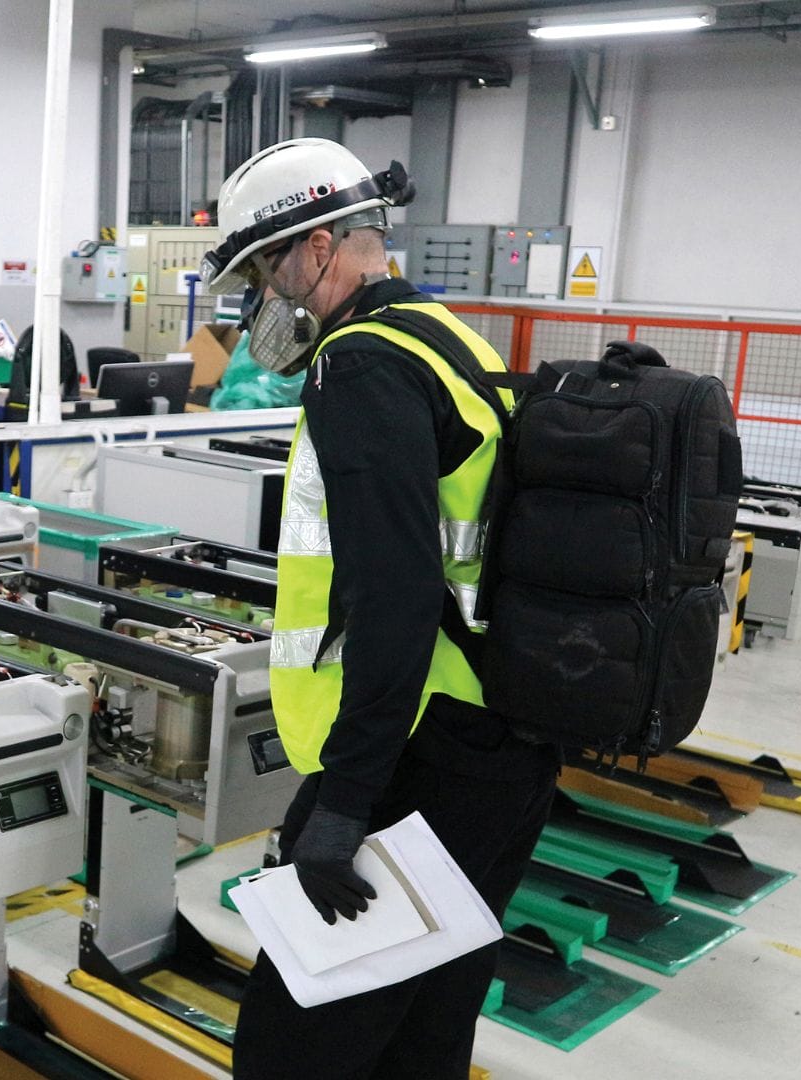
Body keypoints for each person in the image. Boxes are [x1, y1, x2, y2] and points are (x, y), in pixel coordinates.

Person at [201, 140, 560, 1078]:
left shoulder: (354, 365)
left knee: (296, 1052)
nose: (261, 302)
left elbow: (394, 601)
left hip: (413, 759)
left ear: (319, 247)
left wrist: (344, 806)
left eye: (265, 269)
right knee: (425, 1036)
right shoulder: (447, 339)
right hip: (497, 741)